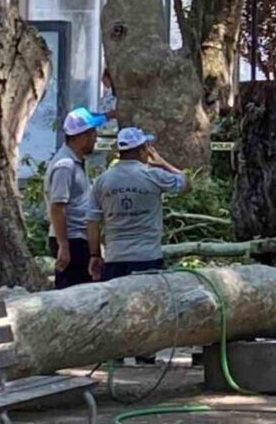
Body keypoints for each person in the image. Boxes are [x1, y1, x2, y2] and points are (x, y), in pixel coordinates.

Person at [88, 127, 189, 281]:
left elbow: (92, 221)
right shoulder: (154, 176)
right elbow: (186, 183)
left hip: (114, 257)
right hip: (147, 256)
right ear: (143, 150)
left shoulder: (102, 181)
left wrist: (94, 255)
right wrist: (162, 163)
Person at [44, 107, 106, 288]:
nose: (95, 139)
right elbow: (57, 207)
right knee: (73, 290)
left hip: (79, 237)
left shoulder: (76, 163)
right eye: (93, 134)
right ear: (83, 137)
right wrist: (64, 246)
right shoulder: (65, 165)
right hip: (72, 239)